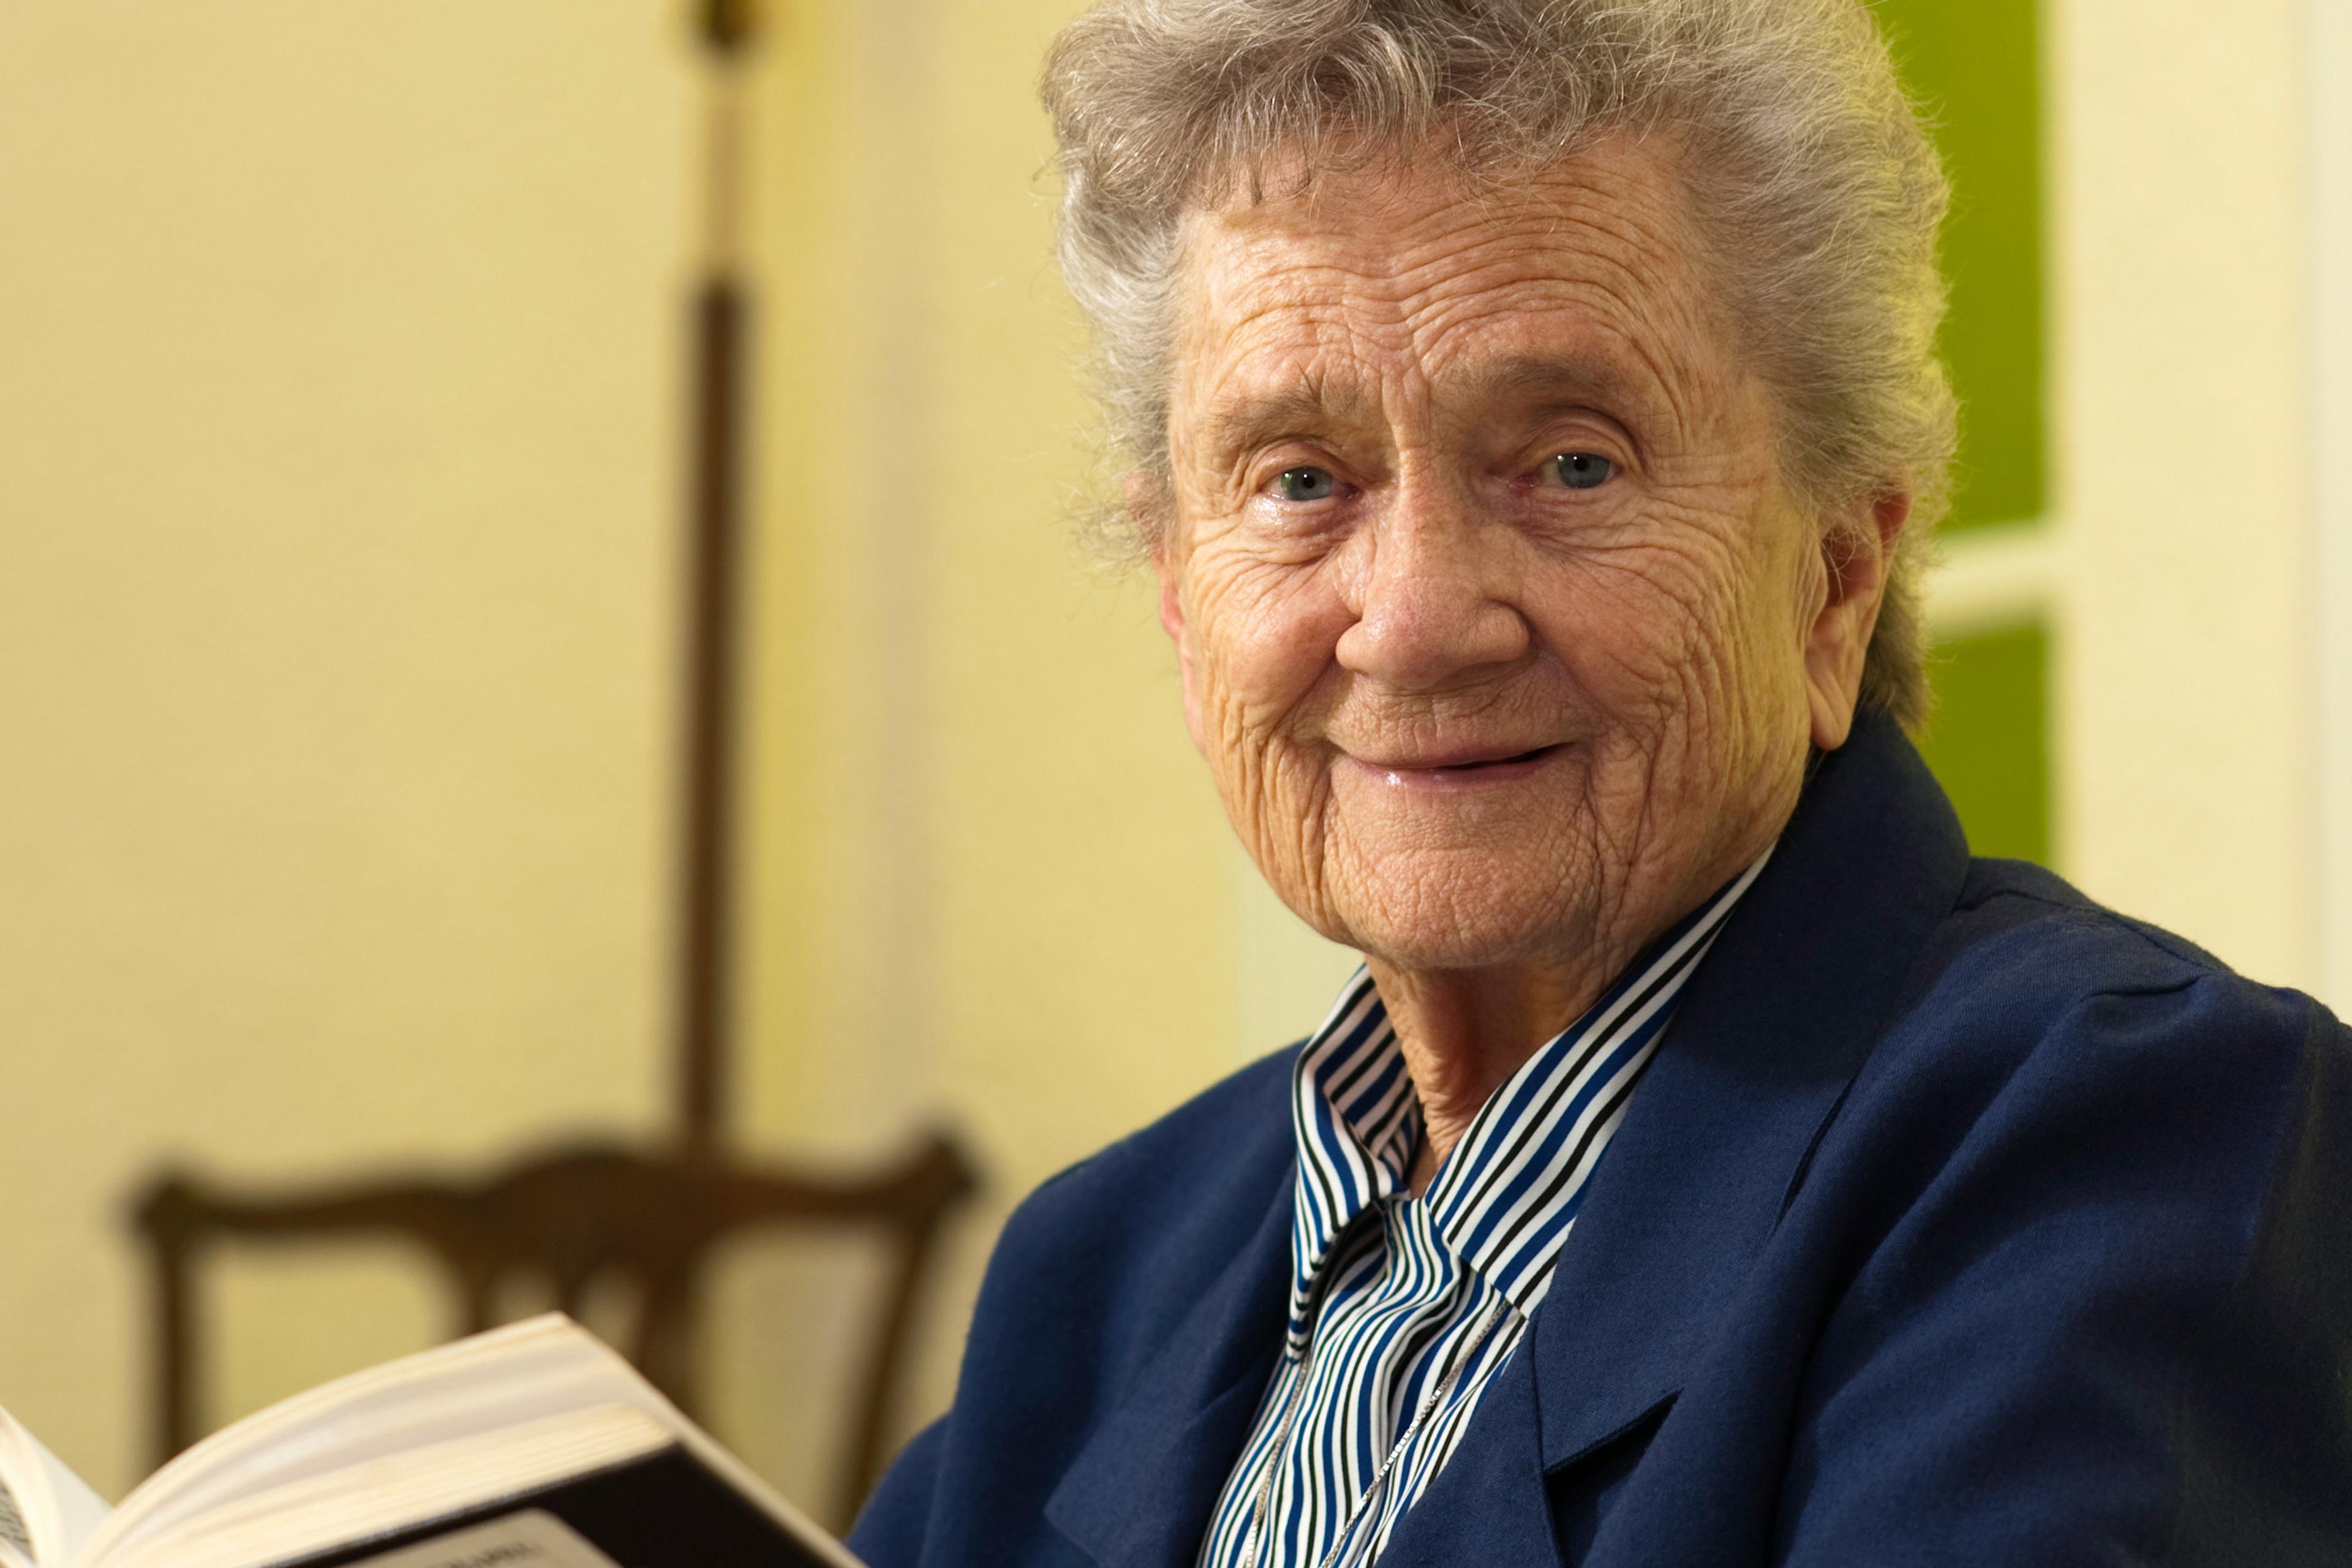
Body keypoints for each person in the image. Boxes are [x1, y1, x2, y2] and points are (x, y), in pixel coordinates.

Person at [848, 1, 2352, 1562]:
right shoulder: (1099, 1267)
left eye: (1573, 461)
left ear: (1838, 576)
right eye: (1301, 479)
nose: (1417, 619)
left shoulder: (2123, 1131)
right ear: (1178, 591)